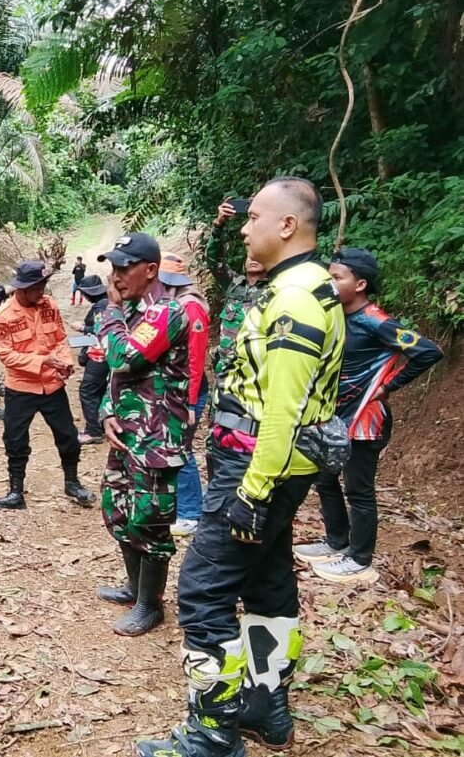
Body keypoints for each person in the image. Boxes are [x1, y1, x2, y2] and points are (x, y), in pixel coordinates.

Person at [136, 177, 345, 757]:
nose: (246, 226)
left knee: (203, 592)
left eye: (254, 217)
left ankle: (212, 733)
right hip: (272, 463)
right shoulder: (301, 284)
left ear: (286, 226)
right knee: (268, 581)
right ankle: (265, 708)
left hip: (258, 465)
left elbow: (284, 408)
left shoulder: (297, 297)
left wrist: (252, 491)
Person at [294, 248, 442, 583]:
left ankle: (359, 559)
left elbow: (428, 351)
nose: (330, 283)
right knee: (325, 479)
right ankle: (336, 541)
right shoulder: (335, 315)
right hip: (335, 416)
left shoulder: (377, 321)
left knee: (358, 490)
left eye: (337, 277)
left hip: (365, 420)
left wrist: (389, 385)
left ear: (360, 283)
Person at [92, 234, 189, 636]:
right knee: (117, 509)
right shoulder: (130, 312)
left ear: (150, 270)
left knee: (150, 520)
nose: (116, 276)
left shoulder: (167, 313)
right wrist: (106, 413)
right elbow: (117, 375)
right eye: (113, 267)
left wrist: (110, 311)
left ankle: (151, 605)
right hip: (126, 433)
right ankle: (135, 589)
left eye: (124, 267)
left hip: (155, 438)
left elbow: (124, 356)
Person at [0, 259, 95, 511]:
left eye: (43, 285)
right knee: (15, 440)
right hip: (21, 388)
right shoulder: (3, 316)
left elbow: (60, 338)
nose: (41, 291)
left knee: (68, 436)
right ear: (21, 288)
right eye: (37, 287)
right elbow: (7, 356)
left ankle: (72, 482)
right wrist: (43, 360)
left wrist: (65, 362)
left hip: (52, 386)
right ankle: (16, 492)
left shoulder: (49, 306)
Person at [158, 253, 212, 537]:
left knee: (183, 450)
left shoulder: (191, 308)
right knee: (173, 447)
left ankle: (190, 512)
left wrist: (189, 402)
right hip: (175, 389)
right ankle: (180, 505)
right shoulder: (174, 304)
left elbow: (194, 359)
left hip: (188, 391)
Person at [209, 200, 269, 384]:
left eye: (258, 256)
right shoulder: (234, 283)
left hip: (252, 375)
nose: (253, 259)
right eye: (249, 256)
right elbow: (213, 259)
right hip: (223, 369)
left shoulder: (273, 290)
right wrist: (218, 225)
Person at [69, 274, 110, 445]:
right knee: (98, 391)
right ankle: (98, 426)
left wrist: (82, 328)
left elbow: (101, 329)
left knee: (87, 391)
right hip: (106, 355)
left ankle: (93, 431)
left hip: (99, 356)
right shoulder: (108, 303)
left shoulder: (101, 306)